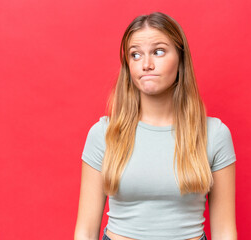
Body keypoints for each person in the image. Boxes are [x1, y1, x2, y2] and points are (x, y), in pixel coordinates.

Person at [74, 12, 237, 240]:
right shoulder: (103, 134)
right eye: (136, 55)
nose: (146, 64)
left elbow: (224, 231)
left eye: (158, 52)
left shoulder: (214, 134)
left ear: (180, 58)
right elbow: (85, 231)